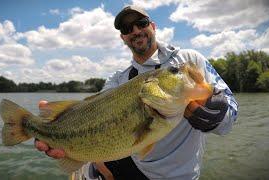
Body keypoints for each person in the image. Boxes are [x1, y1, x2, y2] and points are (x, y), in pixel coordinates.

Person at [35, 5, 238, 180]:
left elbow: (228, 121)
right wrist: (51, 126)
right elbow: (93, 119)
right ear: (123, 37)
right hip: (133, 164)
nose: (135, 30)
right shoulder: (118, 79)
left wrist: (219, 114)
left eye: (141, 23)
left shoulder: (188, 60)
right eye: (127, 28)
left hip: (179, 175)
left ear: (153, 26)